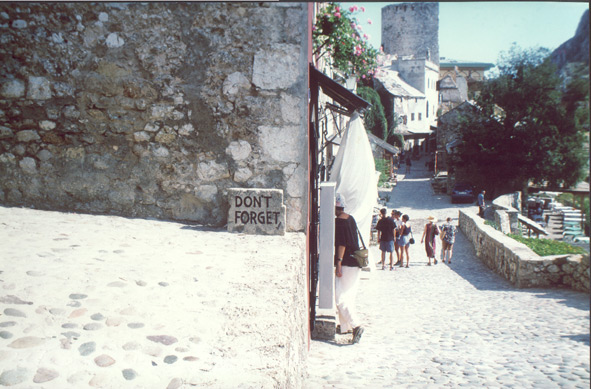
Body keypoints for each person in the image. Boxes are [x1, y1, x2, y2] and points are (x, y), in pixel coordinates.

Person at [334, 193, 364, 344]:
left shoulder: (339, 222)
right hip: (355, 262)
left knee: (339, 297)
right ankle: (344, 327)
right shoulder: (350, 218)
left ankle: (356, 325)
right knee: (348, 296)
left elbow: (342, 244)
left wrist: (338, 263)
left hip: (346, 262)